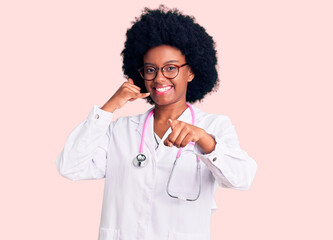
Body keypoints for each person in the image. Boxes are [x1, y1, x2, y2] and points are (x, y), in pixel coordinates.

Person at [56, 5, 257, 240]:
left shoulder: (214, 127)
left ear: (191, 72)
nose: (159, 78)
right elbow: (69, 166)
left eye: (171, 68)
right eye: (150, 69)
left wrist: (203, 140)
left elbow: (243, 178)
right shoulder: (120, 131)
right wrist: (108, 108)